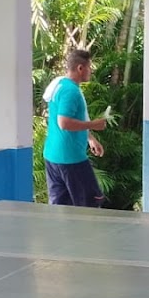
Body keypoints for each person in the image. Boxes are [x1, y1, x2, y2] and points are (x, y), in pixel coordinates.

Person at [43, 47, 107, 207]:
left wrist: (90, 138)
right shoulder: (71, 92)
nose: (91, 71)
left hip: (53, 156)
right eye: (89, 67)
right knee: (89, 204)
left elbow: (73, 118)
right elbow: (64, 122)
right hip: (70, 158)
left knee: (61, 207)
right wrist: (94, 124)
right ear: (80, 68)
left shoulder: (59, 85)